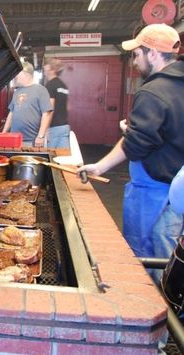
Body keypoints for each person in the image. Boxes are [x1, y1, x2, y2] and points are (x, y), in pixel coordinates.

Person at [78, 24, 184, 274]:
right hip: (178, 188)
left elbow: (136, 145)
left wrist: (100, 165)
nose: (135, 62)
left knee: (145, 261)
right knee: (173, 260)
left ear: (153, 54)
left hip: (154, 192)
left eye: (137, 55)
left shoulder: (153, 92)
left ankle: (154, 309)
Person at [2, 61, 52, 147]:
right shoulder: (17, 92)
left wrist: (40, 136)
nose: (16, 76)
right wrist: (3, 133)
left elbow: (46, 114)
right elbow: (11, 113)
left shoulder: (41, 90)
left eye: (18, 73)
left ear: (25, 74)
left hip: (31, 140)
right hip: (14, 139)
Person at [43, 58, 70, 149]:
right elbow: (67, 106)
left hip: (53, 128)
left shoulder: (50, 85)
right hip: (64, 127)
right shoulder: (63, 85)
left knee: (50, 157)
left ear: (52, 70)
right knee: (63, 157)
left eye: (46, 69)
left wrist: (45, 129)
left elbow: (50, 109)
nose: (44, 71)